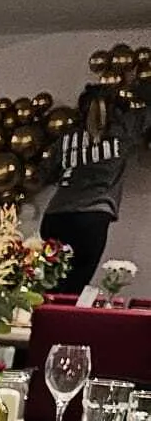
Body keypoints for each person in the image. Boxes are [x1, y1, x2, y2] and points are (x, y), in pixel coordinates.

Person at [39, 83, 150, 293]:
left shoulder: (67, 137)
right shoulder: (122, 129)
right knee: (74, 289)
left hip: (55, 215)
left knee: (49, 286)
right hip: (91, 217)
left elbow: (45, 172)